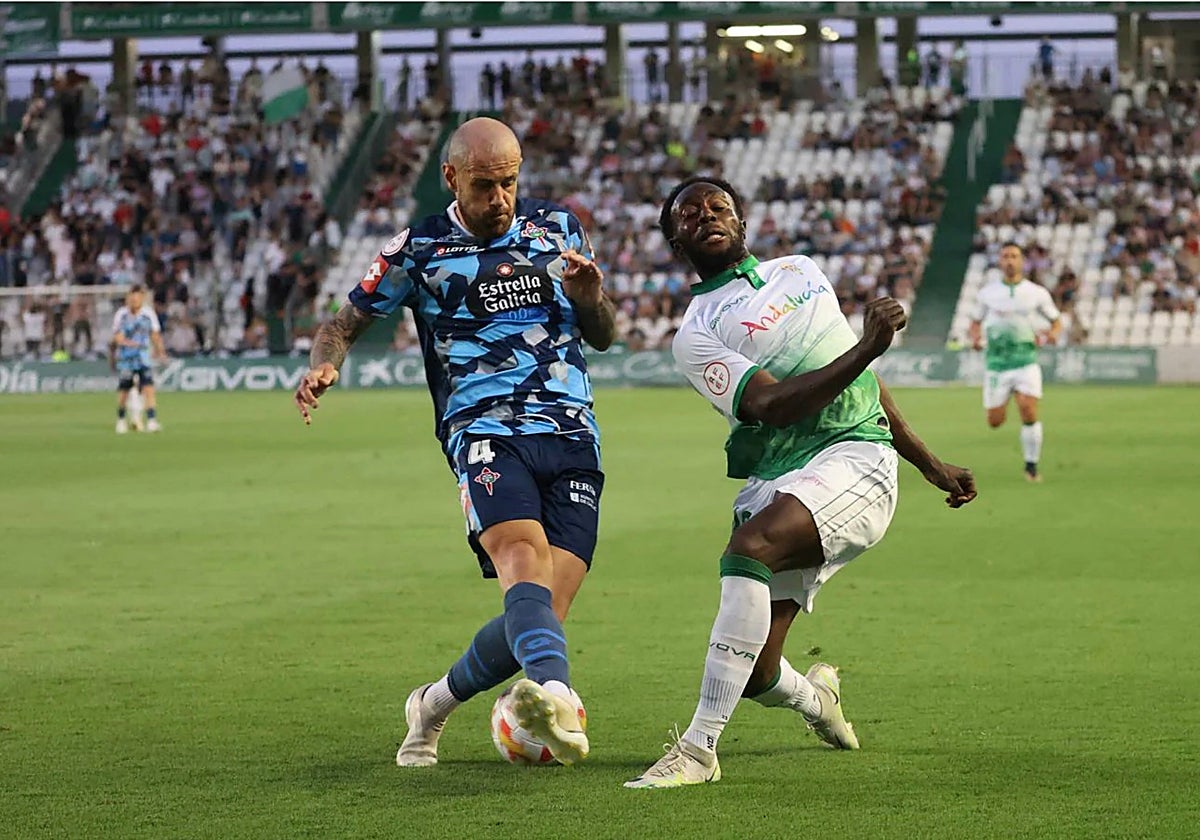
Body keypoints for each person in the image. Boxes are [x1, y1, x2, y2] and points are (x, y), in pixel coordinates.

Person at [626, 176, 977, 789]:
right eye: (690, 214)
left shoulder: (802, 270)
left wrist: (928, 463)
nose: (708, 216)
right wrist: (868, 347)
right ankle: (819, 702)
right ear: (674, 240)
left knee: (749, 549)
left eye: (720, 207)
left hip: (856, 460)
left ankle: (699, 750)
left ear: (741, 222)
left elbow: (859, 386)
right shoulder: (696, 334)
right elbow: (774, 407)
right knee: (759, 671)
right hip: (782, 475)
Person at [293, 117, 617, 767]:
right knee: (522, 565)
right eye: (484, 186)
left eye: (509, 183)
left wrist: (591, 298)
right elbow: (343, 322)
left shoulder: (557, 227)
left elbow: (602, 334)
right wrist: (324, 362)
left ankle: (433, 704)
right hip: (484, 432)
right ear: (450, 178)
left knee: (545, 611)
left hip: (571, 432)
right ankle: (556, 695)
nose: (500, 198)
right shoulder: (417, 249)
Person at [968, 242, 1062, 482]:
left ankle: (1031, 465)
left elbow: (1056, 320)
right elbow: (975, 322)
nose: (1010, 261)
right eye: (1005, 256)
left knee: (1028, 409)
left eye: (1014, 256)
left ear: (1022, 262)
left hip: (1026, 361)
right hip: (997, 365)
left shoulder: (1036, 292)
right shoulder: (987, 294)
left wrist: (1053, 334)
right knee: (995, 421)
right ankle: (1006, 397)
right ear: (1000, 262)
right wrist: (976, 338)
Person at [110, 286, 166, 434]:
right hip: (126, 358)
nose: (134, 300)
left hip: (143, 358)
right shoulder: (121, 315)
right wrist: (129, 344)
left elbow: (155, 334)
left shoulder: (148, 314)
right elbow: (117, 337)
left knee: (148, 388)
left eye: (137, 297)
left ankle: (152, 421)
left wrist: (160, 351)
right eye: (131, 297)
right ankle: (121, 420)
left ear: (142, 298)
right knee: (124, 390)